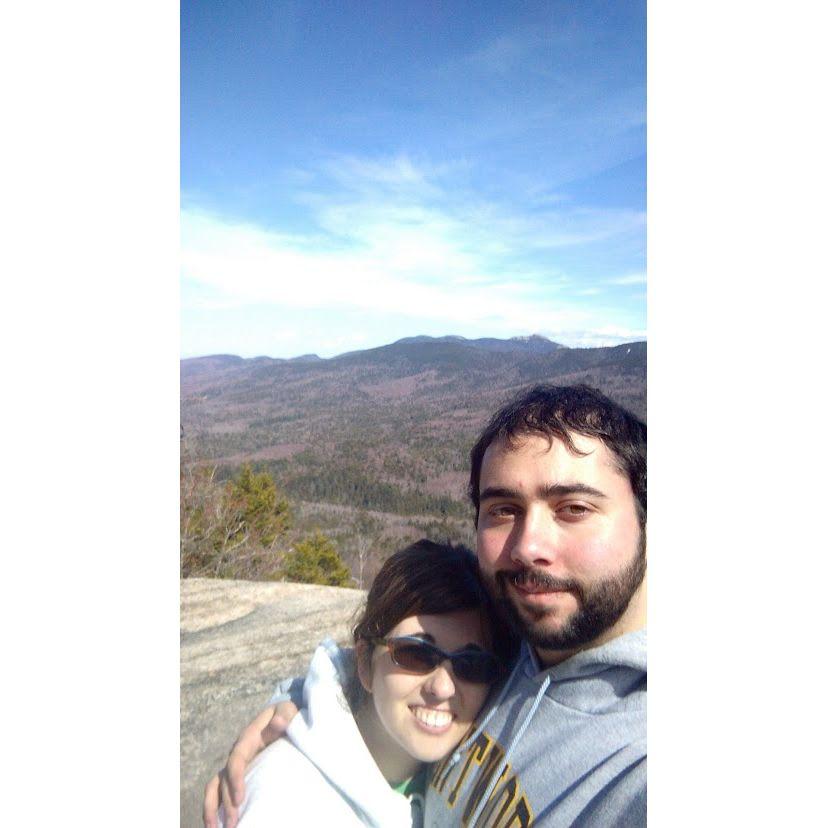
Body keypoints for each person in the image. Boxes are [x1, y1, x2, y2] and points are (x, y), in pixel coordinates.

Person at [205, 384, 647, 827]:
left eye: (573, 508)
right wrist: (307, 708)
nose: (528, 547)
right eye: (503, 510)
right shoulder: (516, 636)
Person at [216, 539, 506, 827]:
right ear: (364, 662)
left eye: (472, 664)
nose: (442, 688)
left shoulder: (437, 780)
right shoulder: (278, 800)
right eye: (415, 653)